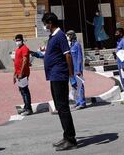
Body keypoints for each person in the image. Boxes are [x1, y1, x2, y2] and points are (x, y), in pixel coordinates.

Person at [41, 13, 77, 151]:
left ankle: (71, 140)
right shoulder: (53, 36)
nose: (45, 26)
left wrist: (71, 73)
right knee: (59, 107)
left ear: (50, 22)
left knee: (63, 107)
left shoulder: (60, 35)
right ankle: (66, 136)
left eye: (45, 23)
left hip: (59, 75)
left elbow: (67, 55)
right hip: (53, 76)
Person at [13, 34, 32, 115]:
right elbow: (16, 63)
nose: (17, 42)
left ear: (22, 40)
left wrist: (21, 73)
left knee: (25, 91)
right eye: (16, 40)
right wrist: (14, 74)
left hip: (23, 73)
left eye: (18, 40)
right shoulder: (18, 49)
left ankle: (28, 109)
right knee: (21, 90)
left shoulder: (25, 48)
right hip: (18, 73)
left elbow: (24, 61)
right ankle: (25, 107)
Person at [67, 31, 86, 110]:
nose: (68, 36)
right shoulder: (70, 45)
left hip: (77, 69)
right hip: (72, 69)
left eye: (69, 35)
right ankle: (77, 102)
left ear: (72, 35)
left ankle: (82, 103)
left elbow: (79, 58)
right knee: (74, 86)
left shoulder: (77, 45)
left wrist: (79, 70)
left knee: (80, 86)